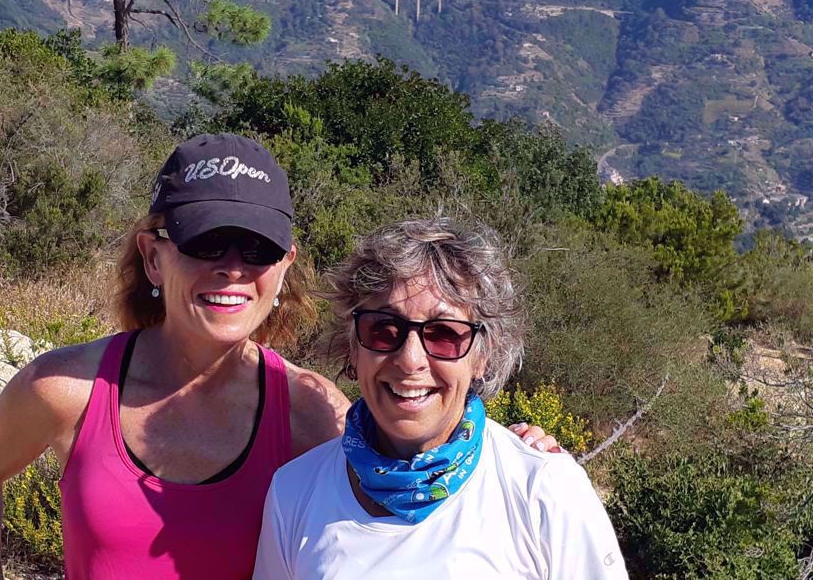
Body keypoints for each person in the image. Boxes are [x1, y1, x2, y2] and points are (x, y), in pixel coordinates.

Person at [0, 135, 561, 579]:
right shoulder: (68, 389)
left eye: (257, 249)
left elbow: (408, 461)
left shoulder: (310, 415)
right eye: (207, 241)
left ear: (284, 266)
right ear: (155, 256)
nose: (233, 268)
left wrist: (507, 453)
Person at [254, 217, 628, 579]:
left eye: (444, 334)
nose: (410, 359)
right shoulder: (293, 493)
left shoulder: (544, 492)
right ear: (353, 347)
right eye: (383, 329)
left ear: (483, 355)